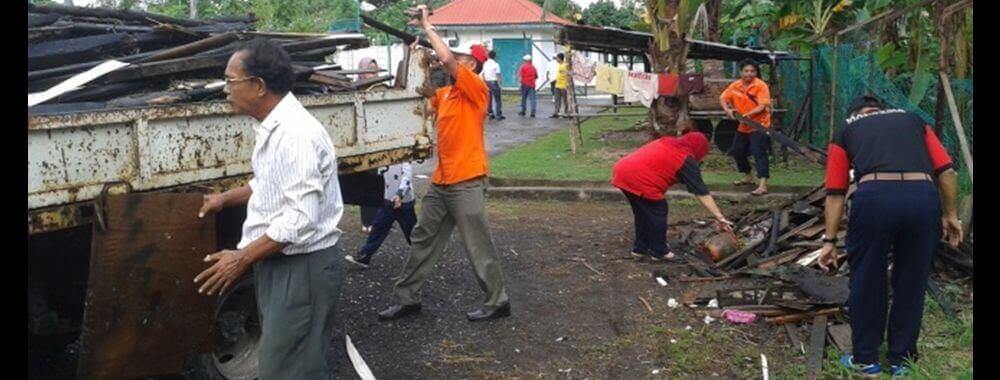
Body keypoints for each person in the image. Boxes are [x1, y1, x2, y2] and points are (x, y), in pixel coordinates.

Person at [194, 38, 344, 379]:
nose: (225, 89)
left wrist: (241, 258)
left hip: (302, 267)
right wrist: (224, 199)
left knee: (289, 370)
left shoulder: (295, 134)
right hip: (282, 263)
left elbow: (300, 218)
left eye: (231, 81)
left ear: (258, 86)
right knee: (287, 364)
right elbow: (269, 184)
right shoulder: (273, 126)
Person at [378, 5, 511, 322]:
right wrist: (414, 52)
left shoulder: (476, 89)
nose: (449, 58)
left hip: (467, 179)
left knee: (477, 243)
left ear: (471, 64)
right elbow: (422, 93)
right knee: (424, 237)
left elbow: (447, 60)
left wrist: (428, 27)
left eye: (458, 57)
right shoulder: (447, 94)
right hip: (443, 179)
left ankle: (498, 300)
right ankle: (407, 297)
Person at [817, 96, 963, 377]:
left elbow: (835, 191)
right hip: (923, 198)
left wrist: (829, 241)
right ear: (882, 111)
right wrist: (951, 215)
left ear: (856, 114)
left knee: (867, 278)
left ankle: (866, 360)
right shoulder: (913, 120)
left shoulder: (846, 129)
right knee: (912, 280)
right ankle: (901, 361)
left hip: (875, 198)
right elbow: (946, 170)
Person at [610, 129, 734, 261]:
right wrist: (719, 217)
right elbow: (701, 192)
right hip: (639, 179)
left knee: (643, 214)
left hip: (622, 171)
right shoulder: (685, 158)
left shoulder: (668, 141)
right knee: (658, 211)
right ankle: (659, 252)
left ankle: (640, 249)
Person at [345, 162, 417, 268]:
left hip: (403, 203)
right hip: (388, 201)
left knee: (411, 232)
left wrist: (399, 194)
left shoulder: (404, 158)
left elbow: (407, 176)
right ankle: (365, 256)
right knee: (378, 228)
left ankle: (424, 254)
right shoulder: (385, 158)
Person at [720, 59, 772, 196]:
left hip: (760, 125)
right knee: (737, 151)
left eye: (752, 71)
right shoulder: (735, 85)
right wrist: (728, 110)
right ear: (741, 72)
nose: (749, 74)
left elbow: (762, 105)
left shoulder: (761, 86)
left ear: (756, 72)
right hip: (743, 125)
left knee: (758, 152)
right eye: (746, 71)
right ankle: (748, 176)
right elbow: (722, 98)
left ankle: (763, 185)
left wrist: (750, 114)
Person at [481, 50, 505, 120]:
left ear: (488, 56)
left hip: (487, 82)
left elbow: (483, 74)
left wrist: (484, 81)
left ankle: (490, 113)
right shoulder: (496, 64)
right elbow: (498, 75)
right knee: (497, 99)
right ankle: (498, 115)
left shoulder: (485, 64)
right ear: (495, 56)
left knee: (489, 98)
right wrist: (500, 84)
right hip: (494, 82)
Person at [550, 53, 570, 118]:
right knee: (557, 99)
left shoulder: (565, 65)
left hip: (564, 85)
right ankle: (556, 112)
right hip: (557, 84)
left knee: (565, 100)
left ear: (560, 58)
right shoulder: (559, 65)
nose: (556, 59)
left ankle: (566, 112)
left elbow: (568, 73)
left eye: (557, 58)